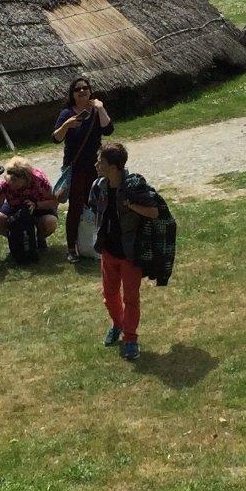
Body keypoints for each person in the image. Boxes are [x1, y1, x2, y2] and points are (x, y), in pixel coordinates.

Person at [90, 141, 162, 363]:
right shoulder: (98, 186)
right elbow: (95, 209)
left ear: (113, 167)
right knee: (109, 295)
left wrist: (130, 205)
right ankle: (117, 324)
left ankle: (130, 338)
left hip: (130, 253)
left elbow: (153, 212)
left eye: (100, 162)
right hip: (109, 251)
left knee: (130, 297)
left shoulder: (133, 185)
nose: (96, 165)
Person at [51, 76, 113, 264]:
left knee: (97, 204)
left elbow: (108, 129)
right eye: (77, 89)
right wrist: (67, 125)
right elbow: (55, 138)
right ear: (73, 94)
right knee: (76, 207)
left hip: (96, 166)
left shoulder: (96, 110)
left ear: (90, 91)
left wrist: (100, 108)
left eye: (85, 88)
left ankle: (96, 243)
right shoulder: (67, 112)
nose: (82, 91)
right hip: (76, 167)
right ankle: (72, 248)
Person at [0, 155, 58, 256]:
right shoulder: (6, 185)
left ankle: (39, 240)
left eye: (16, 184)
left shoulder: (39, 180)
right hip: (15, 207)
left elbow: (54, 201)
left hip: (40, 207)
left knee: (50, 222)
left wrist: (36, 205)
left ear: (25, 178)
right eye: (10, 183)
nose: (12, 186)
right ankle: (17, 241)